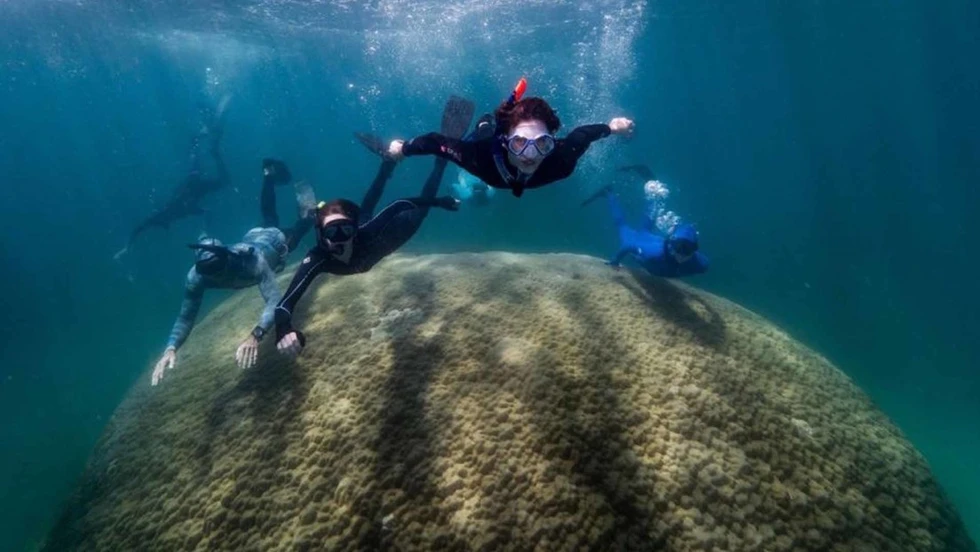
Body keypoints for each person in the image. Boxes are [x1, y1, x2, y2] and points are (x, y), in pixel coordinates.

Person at [273, 96, 474, 358]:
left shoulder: (361, 232)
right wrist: (283, 330)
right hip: (370, 238)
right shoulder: (317, 258)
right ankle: (388, 162)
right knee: (365, 212)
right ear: (321, 235)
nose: (340, 240)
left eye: (345, 230)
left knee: (401, 214)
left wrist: (439, 202)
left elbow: (401, 204)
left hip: (390, 236)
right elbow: (285, 304)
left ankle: (437, 160)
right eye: (332, 233)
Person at [150, 158, 317, 385]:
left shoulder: (251, 262)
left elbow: (274, 299)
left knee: (298, 226)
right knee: (269, 218)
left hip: (275, 244)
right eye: (207, 270)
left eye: (216, 269)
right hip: (254, 236)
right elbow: (186, 316)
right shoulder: (196, 277)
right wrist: (171, 347)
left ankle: (307, 212)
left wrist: (256, 335)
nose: (215, 276)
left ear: (227, 258)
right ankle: (268, 176)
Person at [384, 78, 635, 197]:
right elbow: (434, 142)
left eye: (542, 144)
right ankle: (487, 121)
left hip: (499, 165)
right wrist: (403, 148)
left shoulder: (562, 159)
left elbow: (583, 135)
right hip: (489, 147)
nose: (530, 155)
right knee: (482, 133)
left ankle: (494, 123)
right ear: (507, 141)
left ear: (552, 142)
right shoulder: (479, 158)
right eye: (519, 143)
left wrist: (612, 127)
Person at [115, 97, 231, 260]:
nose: (167, 223)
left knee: (199, 168)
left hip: (194, 184)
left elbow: (142, 226)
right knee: (219, 179)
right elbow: (141, 227)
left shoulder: (171, 211)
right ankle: (210, 149)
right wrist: (127, 247)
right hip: (194, 186)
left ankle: (198, 141)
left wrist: (127, 246)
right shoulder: (175, 212)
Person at [581, 175, 709, 278]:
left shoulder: (699, 263)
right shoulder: (653, 253)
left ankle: (653, 193)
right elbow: (628, 245)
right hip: (639, 240)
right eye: (680, 248)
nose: (683, 254)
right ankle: (609, 193)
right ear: (672, 244)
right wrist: (615, 261)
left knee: (646, 228)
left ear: (695, 249)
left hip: (649, 238)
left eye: (689, 249)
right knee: (622, 226)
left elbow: (702, 265)